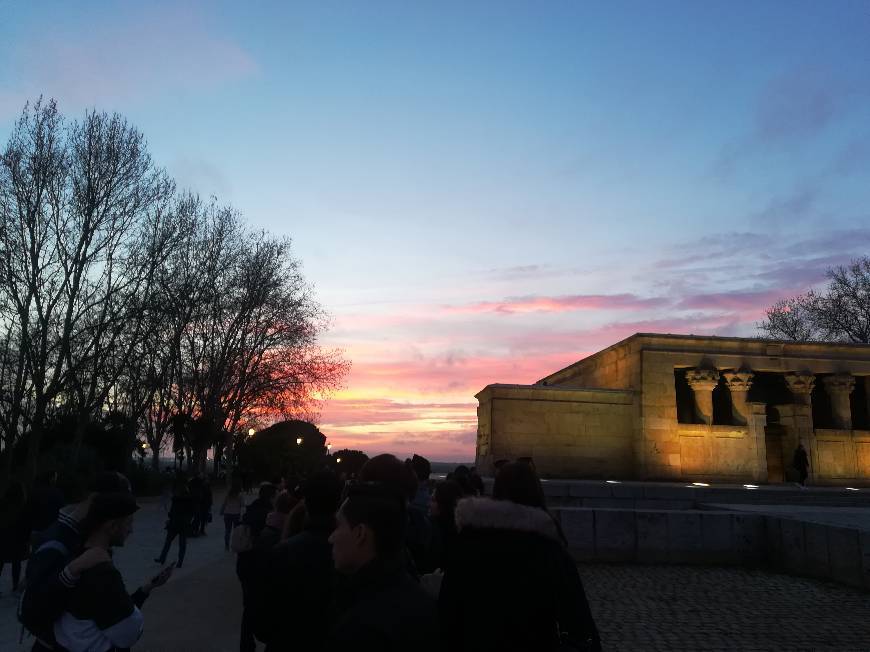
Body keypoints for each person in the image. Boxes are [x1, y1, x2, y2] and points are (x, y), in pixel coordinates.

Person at [438, 462, 600, 652]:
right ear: (537, 494)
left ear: (496, 493)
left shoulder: (466, 545)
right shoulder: (551, 553)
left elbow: (446, 617)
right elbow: (581, 630)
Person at [53, 492, 173, 652]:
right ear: (112, 527)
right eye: (129, 523)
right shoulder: (103, 573)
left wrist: (147, 588)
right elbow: (128, 632)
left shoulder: (77, 555)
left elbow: (108, 609)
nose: (131, 530)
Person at [327, 481, 440, 651]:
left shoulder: (361, 629)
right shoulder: (422, 603)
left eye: (338, 526)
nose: (331, 538)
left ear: (360, 534)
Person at [260, 471, 344, 652]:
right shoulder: (350, 556)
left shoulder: (283, 552)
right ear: (339, 503)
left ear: (306, 502)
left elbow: (262, 624)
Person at [237, 482, 277, 652]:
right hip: (259, 562)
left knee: (248, 606)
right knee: (260, 604)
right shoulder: (271, 514)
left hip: (244, 562)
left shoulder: (251, 509)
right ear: (271, 496)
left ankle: (246, 644)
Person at [422, 480, 463, 574]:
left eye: (433, 500)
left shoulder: (431, 530)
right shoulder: (463, 531)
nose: (429, 504)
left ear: (444, 504)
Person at [155, 479, 194, 568]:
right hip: (184, 524)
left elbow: (171, 512)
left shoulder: (176, 500)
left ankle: (162, 558)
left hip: (174, 523)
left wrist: (171, 517)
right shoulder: (189, 500)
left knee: (168, 542)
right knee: (182, 544)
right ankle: (180, 561)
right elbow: (192, 512)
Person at [0, 481, 30, 594]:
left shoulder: (3, 503)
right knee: (16, 562)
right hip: (17, 537)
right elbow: (26, 523)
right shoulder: (22, 506)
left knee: (1, 561)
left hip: (3, 536)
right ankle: (15, 586)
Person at [29, 471, 65, 536]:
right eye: (55, 478)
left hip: (33, 528)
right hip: (48, 530)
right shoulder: (57, 493)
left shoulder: (34, 490)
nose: (56, 480)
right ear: (51, 479)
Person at [221, 479, 246, 552]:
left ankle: (226, 545)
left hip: (227, 514)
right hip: (236, 514)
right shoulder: (240, 495)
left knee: (227, 530)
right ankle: (235, 544)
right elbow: (243, 505)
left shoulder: (228, 494)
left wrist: (222, 511)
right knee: (236, 531)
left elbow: (224, 503)